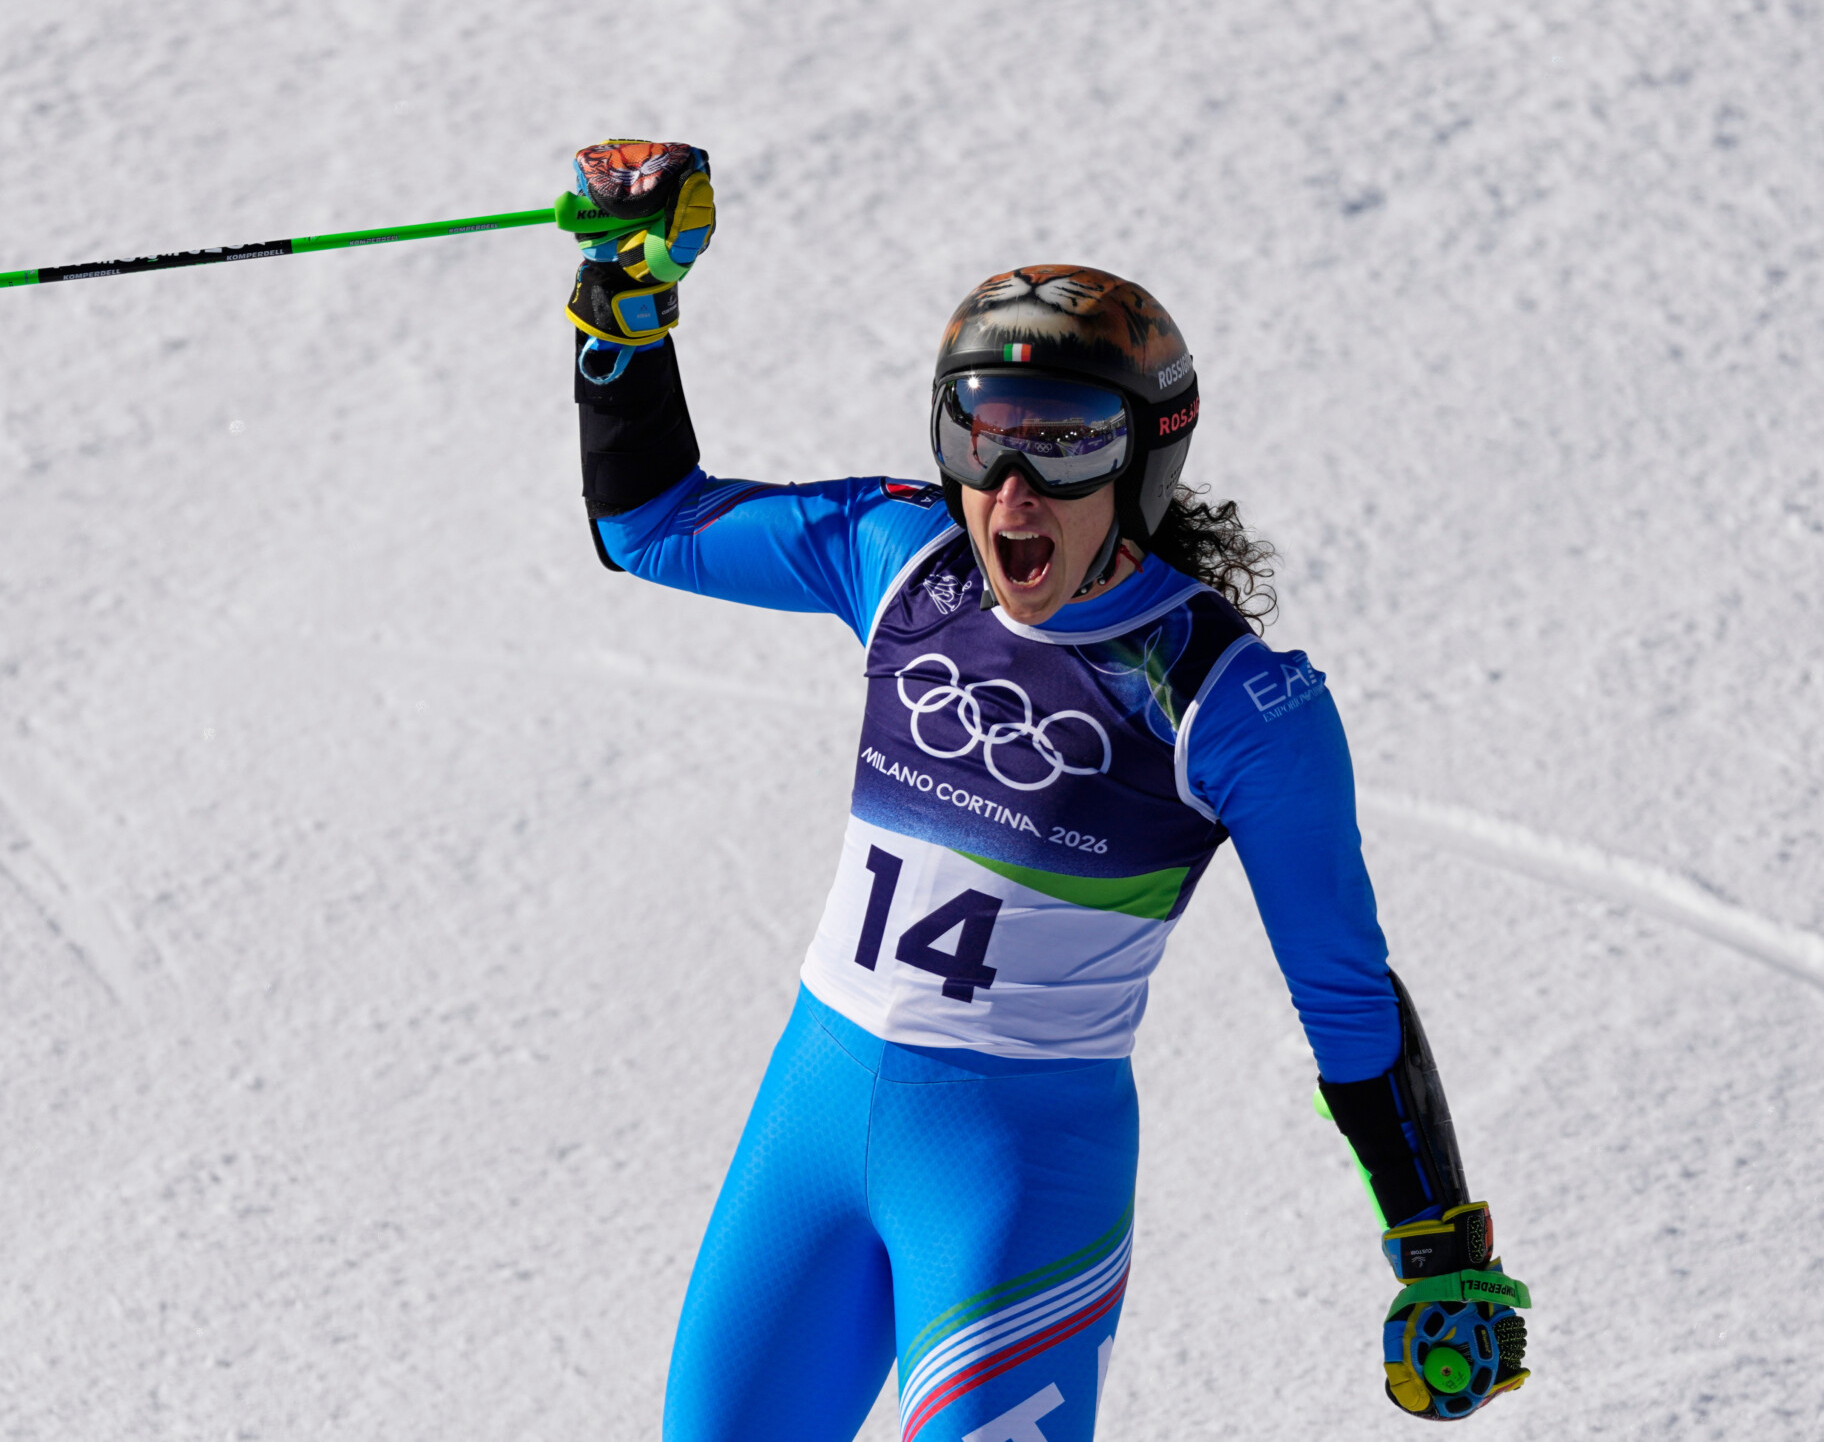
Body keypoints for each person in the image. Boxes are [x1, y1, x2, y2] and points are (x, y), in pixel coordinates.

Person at [559, 141, 1531, 1441]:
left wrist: (1437, 1244)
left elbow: (1346, 995)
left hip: (1011, 1181)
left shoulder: (1230, 703)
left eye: (1065, 449)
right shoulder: (903, 562)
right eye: (983, 437)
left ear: (1143, 464)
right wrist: (627, 292)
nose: (1012, 492)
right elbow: (652, 523)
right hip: (807, 1127)